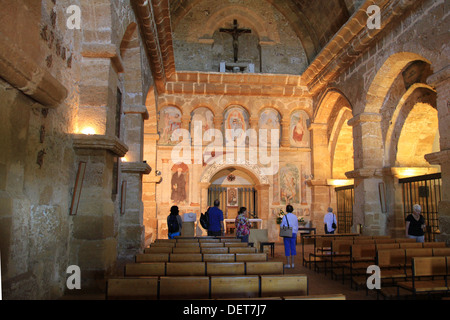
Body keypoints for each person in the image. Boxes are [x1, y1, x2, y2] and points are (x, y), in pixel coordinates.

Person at [280, 204, 298, 269]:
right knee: (293, 247)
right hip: (294, 233)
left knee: (287, 247)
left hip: (287, 233)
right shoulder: (295, 216)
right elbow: (296, 225)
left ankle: (288, 263)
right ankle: (293, 263)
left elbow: (282, 225)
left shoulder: (285, 217)